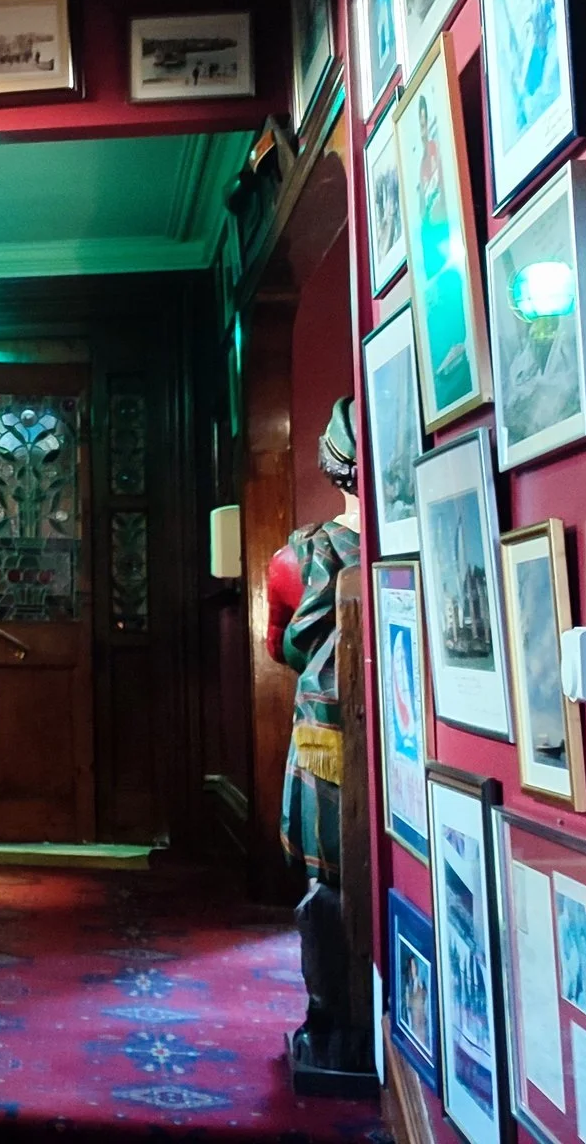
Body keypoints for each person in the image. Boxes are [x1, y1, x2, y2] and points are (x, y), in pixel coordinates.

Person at [265, 397, 368, 1088]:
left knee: (326, 881)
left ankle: (329, 1018)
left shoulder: (295, 558)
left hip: (325, 742)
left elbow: (281, 650)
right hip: (394, 742)